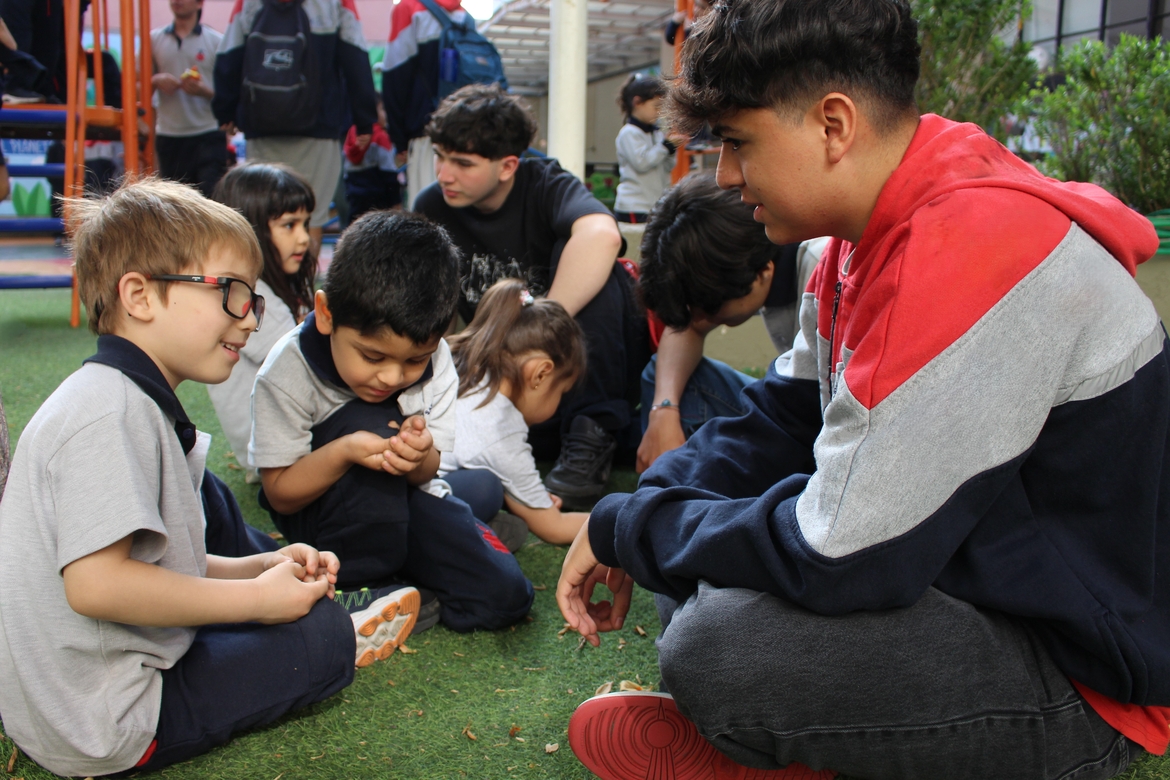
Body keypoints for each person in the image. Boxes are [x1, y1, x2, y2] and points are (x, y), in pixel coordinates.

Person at [556, 0, 1170, 778]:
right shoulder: (852, 240)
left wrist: (630, 527)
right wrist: (645, 509)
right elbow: (779, 419)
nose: (726, 176)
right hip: (969, 581)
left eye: (739, 143)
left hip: (1080, 673)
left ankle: (806, 745)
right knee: (706, 567)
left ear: (833, 125)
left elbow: (842, 555)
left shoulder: (971, 247)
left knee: (721, 650)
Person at [0, 178, 366, 777]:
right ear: (139, 296)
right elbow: (96, 586)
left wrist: (258, 568)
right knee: (324, 639)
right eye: (231, 292)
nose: (247, 319)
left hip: (78, 697)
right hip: (106, 721)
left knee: (296, 610)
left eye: (253, 298)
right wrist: (252, 601)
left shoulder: (119, 398)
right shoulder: (109, 414)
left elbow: (148, 563)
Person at [251, 209, 534, 634]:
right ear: (326, 314)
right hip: (325, 523)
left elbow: (428, 470)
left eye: (414, 361)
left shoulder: (437, 360)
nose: (391, 377)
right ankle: (366, 587)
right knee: (367, 420)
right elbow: (281, 494)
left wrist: (417, 457)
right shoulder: (286, 372)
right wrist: (346, 452)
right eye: (372, 356)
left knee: (509, 596)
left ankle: (421, 567)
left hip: (403, 501)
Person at [415, 83, 648, 508]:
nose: (444, 174)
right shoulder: (434, 205)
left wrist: (541, 324)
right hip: (514, 388)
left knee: (595, 263)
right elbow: (433, 317)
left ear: (507, 166)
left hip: (576, 373)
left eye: (463, 163)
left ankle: (592, 432)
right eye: (441, 157)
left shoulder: (544, 184)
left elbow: (602, 233)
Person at [635, 173, 827, 473]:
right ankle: (670, 491)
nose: (699, 320)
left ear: (762, 273)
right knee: (664, 376)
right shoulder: (750, 250)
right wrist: (664, 410)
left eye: (708, 308)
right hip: (799, 410)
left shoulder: (822, 270)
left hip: (826, 428)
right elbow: (687, 329)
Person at [212, 0, 377, 256]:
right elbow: (356, 57)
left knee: (265, 215)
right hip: (318, 128)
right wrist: (364, 119)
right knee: (312, 216)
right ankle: (304, 291)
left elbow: (228, 56)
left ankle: (267, 289)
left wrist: (225, 111)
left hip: (262, 124)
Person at [441, 278, 591, 545]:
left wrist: (531, 496)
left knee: (506, 511)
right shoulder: (500, 428)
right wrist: (624, 518)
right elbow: (554, 528)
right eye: (561, 392)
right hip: (410, 510)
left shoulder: (454, 358)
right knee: (486, 488)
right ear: (541, 374)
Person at [208, 163, 315, 481]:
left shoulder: (266, 286)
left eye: (305, 224)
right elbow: (305, 364)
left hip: (279, 442)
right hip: (275, 452)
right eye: (289, 225)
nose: (304, 238)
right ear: (251, 230)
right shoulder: (247, 293)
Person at [380, 0, 464, 208]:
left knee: (426, 214)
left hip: (426, 130)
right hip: (467, 133)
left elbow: (395, 76)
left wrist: (399, 139)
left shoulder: (409, 10)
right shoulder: (463, 16)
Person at [150, 0, 227, 197]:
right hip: (169, 135)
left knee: (211, 201)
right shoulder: (154, 39)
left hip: (208, 133)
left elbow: (227, 95)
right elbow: (136, 85)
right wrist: (155, 80)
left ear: (200, 3)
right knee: (175, 207)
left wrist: (203, 91)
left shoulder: (216, 41)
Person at [612, 73, 673, 263]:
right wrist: (665, 147)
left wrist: (672, 148)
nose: (659, 112)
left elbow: (668, 165)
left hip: (653, 203)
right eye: (656, 107)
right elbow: (642, 163)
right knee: (635, 255)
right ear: (637, 102)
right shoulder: (628, 133)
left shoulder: (655, 133)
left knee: (651, 252)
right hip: (634, 205)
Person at [343, 100, 402, 219]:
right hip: (380, 203)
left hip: (356, 200)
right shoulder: (381, 137)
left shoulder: (351, 134)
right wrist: (396, 202)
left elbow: (346, 173)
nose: (385, 114)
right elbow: (389, 173)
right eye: (382, 109)